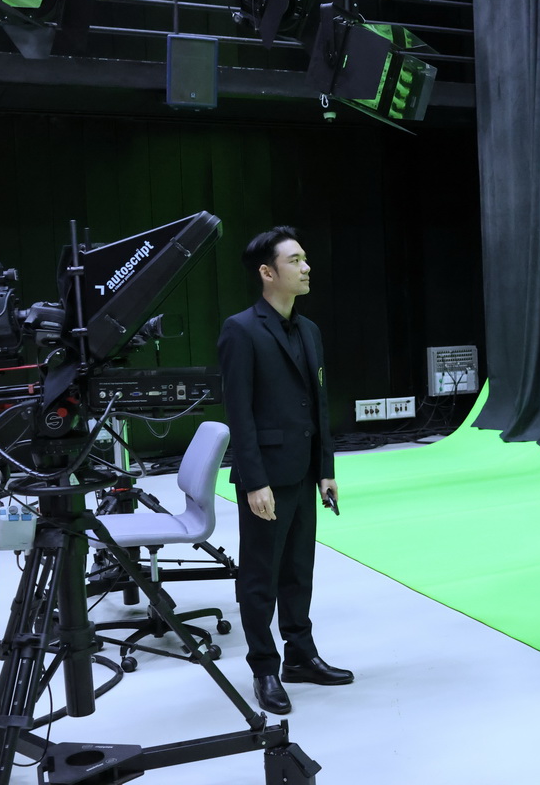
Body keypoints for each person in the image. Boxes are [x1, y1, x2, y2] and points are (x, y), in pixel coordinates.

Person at [216, 226, 351, 715]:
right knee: (260, 577)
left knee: (298, 571)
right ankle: (264, 668)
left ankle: (300, 655)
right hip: (266, 477)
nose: (306, 267)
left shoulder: (309, 329)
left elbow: (319, 403)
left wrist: (325, 468)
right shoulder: (241, 329)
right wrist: (254, 481)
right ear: (267, 272)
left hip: (304, 470)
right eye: (295, 260)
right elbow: (239, 413)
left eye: (305, 258)